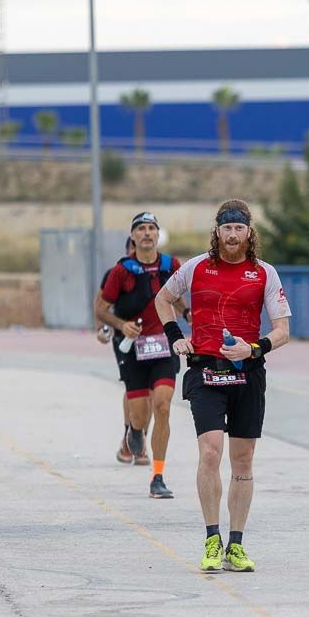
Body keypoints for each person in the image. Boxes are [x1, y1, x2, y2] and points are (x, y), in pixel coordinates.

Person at [155, 199, 292, 574]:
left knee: (243, 460)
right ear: (217, 232)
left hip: (248, 372)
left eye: (239, 228)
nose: (233, 235)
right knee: (211, 453)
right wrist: (175, 337)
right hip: (205, 371)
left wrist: (256, 347)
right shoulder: (196, 267)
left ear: (250, 233)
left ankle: (236, 544)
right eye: (226, 228)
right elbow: (163, 299)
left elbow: (282, 330)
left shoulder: (265, 273)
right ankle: (212, 538)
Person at [94, 212, 185, 498]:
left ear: (159, 235)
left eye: (151, 229)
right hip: (132, 349)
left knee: (163, 406)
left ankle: (157, 476)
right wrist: (121, 326)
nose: (147, 233)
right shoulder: (120, 272)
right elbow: (100, 309)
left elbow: (178, 298)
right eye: (141, 229)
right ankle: (134, 431)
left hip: (163, 345)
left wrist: (189, 313)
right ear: (133, 237)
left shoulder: (172, 266)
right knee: (140, 411)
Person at [96, 236, 143, 466]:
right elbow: (101, 305)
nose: (139, 250)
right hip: (125, 339)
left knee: (155, 394)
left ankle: (140, 441)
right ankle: (129, 437)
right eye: (133, 246)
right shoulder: (116, 272)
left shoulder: (160, 270)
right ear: (127, 249)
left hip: (155, 339)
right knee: (134, 387)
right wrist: (103, 329)